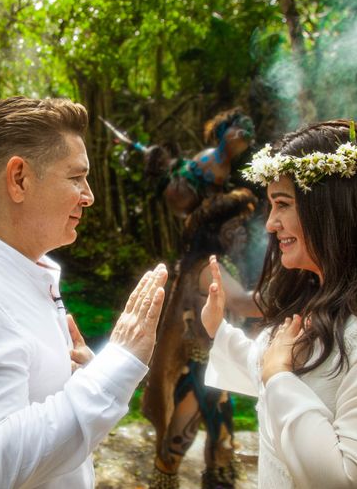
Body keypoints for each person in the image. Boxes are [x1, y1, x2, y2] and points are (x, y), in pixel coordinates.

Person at [0, 96, 169, 488]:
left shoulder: (20, 276)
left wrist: (86, 377)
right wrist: (117, 367)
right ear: (19, 179)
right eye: (76, 177)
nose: (89, 195)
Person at [201, 120, 357, 488]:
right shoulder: (319, 293)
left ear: (334, 207)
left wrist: (280, 378)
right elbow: (269, 363)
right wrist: (217, 328)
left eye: (282, 204)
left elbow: (352, 479)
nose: (270, 224)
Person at [143, 188, 262, 489]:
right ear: (217, 232)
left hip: (216, 372)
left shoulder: (217, 264)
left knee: (220, 448)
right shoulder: (209, 268)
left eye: (244, 228)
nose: (243, 236)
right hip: (197, 374)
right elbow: (246, 304)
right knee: (175, 448)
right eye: (236, 228)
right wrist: (297, 283)